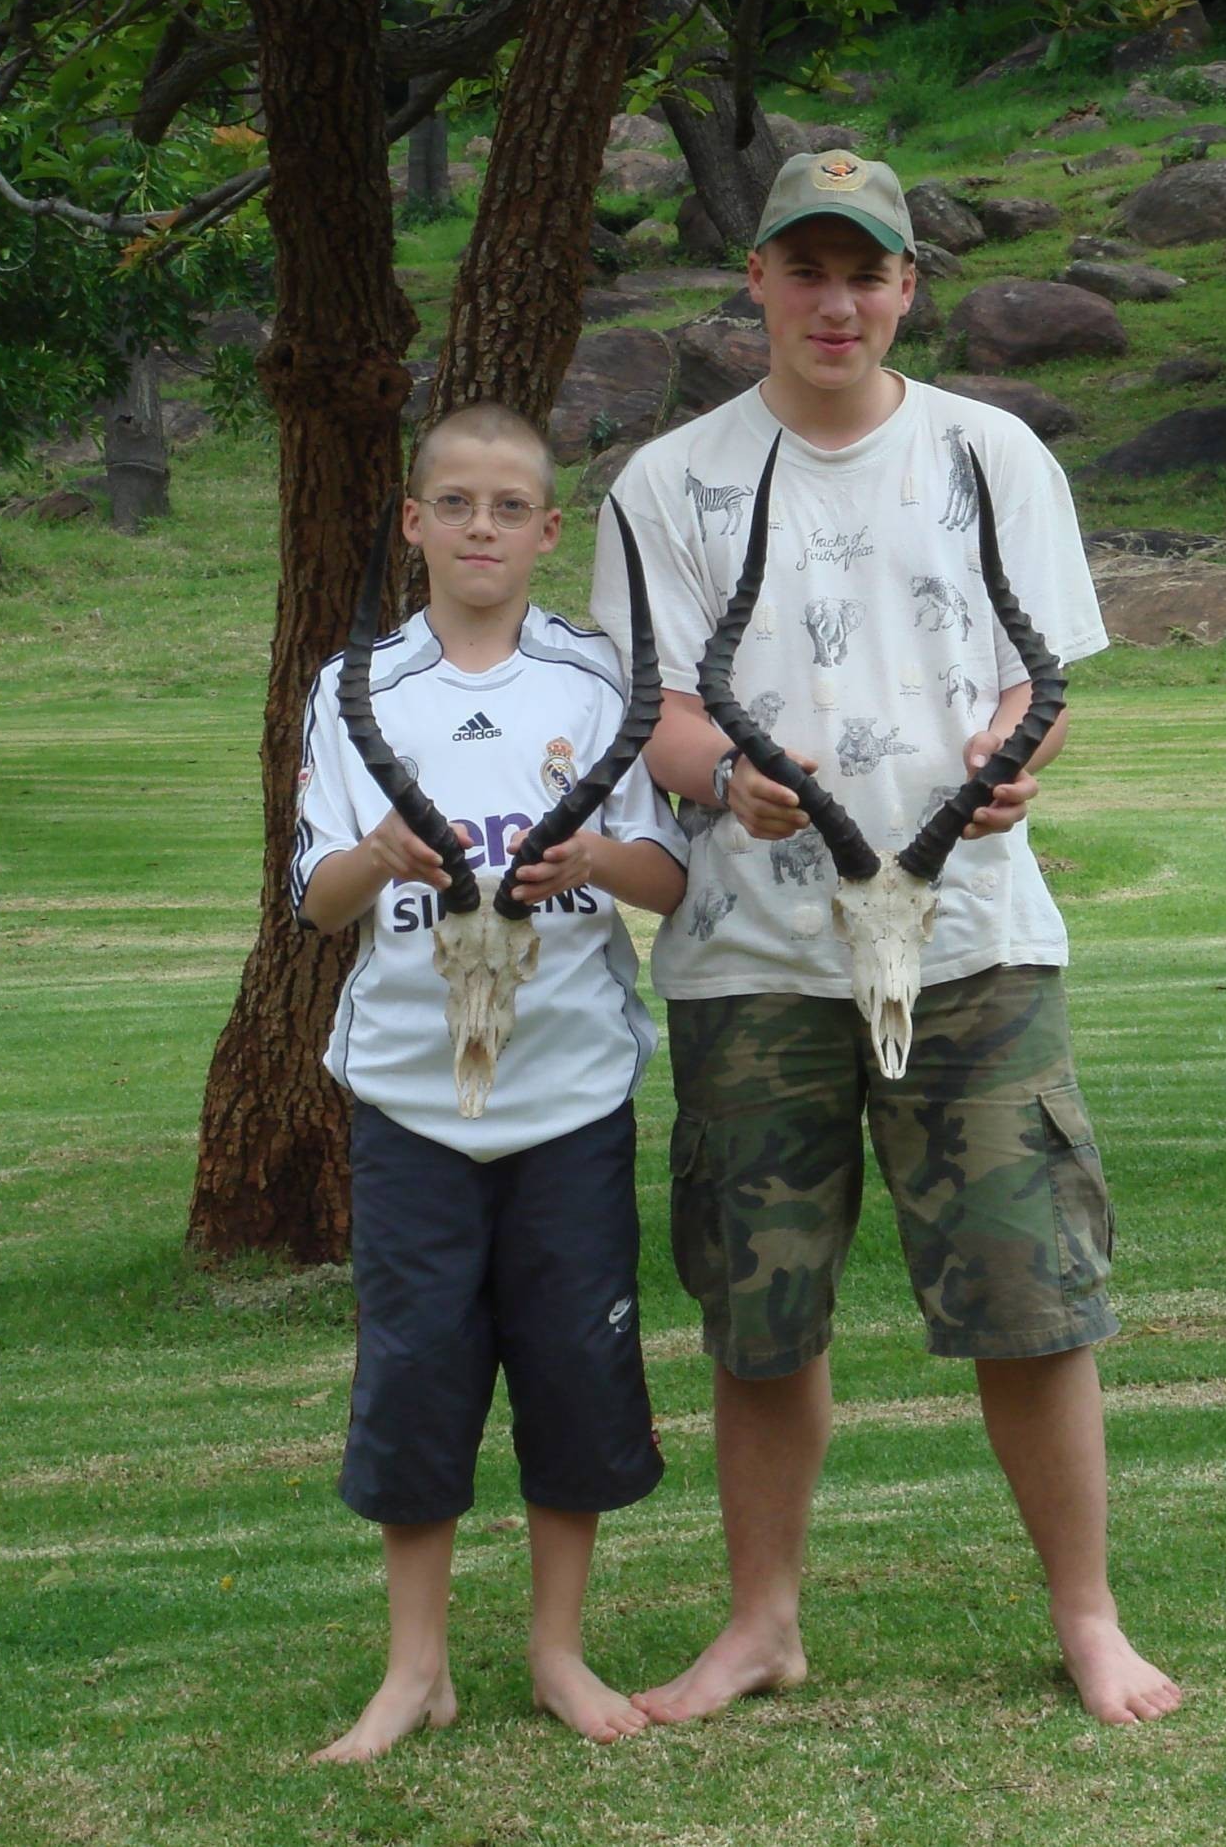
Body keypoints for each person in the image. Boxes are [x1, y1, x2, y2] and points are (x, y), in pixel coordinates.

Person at [592, 152, 1183, 1726]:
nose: (836, 300)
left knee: (1031, 1290)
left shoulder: (994, 456)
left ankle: (1088, 1619)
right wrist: (727, 780)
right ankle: (763, 1625)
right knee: (760, 1307)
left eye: (868, 272)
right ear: (759, 284)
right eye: (807, 269)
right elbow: (654, 707)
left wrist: (1008, 762)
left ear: (909, 286)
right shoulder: (667, 485)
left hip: (977, 939)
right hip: (747, 955)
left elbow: (1033, 669)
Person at [291, 403, 689, 1762]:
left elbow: (666, 873)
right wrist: (381, 855)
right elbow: (318, 897)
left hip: (568, 1088)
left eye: (508, 507)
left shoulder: (596, 686)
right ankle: (416, 1670)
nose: (479, 528)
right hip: (410, 1092)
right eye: (453, 504)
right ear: (414, 522)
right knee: (416, 1368)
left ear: (544, 531)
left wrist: (595, 866)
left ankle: (558, 1651)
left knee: (574, 1364)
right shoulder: (360, 688)